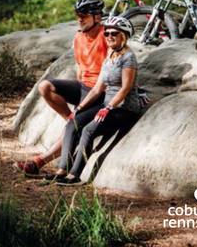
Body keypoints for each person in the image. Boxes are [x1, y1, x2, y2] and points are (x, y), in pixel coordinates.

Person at [15, 0, 108, 178]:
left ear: (97, 17)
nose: (79, 18)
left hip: (100, 91)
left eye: (84, 15)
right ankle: (71, 124)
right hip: (84, 86)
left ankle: (38, 162)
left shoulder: (107, 36)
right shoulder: (78, 37)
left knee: (74, 124)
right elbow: (80, 68)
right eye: (77, 15)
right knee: (45, 87)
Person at [52, 16, 141, 186]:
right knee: (73, 123)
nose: (109, 37)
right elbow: (97, 88)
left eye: (114, 33)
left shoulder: (128, 57)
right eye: (106, 33)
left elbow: (125, 88)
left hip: (124, 109)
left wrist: (108, 108)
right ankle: (62, 169)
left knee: (88, 130)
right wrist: (79, 107)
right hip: (107, 105)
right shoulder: (109, 57)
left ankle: (75, 176)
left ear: (124, 35)